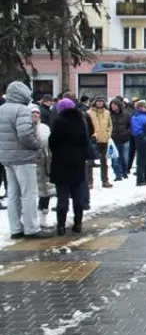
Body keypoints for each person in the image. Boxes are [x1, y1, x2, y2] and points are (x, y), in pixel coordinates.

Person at [0, 82, 50, 239]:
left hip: (7, 158)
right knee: (29, 193)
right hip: (24, 157)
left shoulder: (2, 109)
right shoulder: (22, 110)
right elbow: (25, 134)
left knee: (13, 194)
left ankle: (16, 229)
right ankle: (31, 228)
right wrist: (37, 146)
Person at [48, 99, 92, 236]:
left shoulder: (58, 122)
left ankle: (61, 226)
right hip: (77, 163)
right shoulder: (81, 121)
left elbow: (52, 142)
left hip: (60, 163)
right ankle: (78, 224)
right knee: (78, 194)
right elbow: (86, 140)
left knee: (62, 195)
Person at [31, 105, 55, 229]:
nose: (35, 115)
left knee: (46, 191)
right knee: (30, 193)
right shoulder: (26, 128)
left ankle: (43, 217)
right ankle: (29, 219)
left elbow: (49, 142)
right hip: (30, 164)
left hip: (45, 163)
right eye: (33, 113)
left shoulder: (44, 127)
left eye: (37, 113)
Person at [87, 97, 113, 189]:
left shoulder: (107, 112)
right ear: (95, 102)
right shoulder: (89, 113)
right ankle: (89, 182)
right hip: (93, 140)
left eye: (101, 102)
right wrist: (92, 135)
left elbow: (110, 125)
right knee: (90, 161)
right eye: (98, 101)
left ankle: (105, 180)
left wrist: (108, 134)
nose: (99, 103)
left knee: (104, 161)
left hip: (104, 139)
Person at [109, 98, 132, 181]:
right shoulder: (109, 115)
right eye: (112, 105)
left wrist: (126, 134)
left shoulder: (127, 115)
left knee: (125, 158)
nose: (113, 106)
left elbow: (131, 126)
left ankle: (124, 171)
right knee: (114, 158)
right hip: (113, 140)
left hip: (124, 139)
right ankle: (117, 174)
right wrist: (110, 134)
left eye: (114, 105)